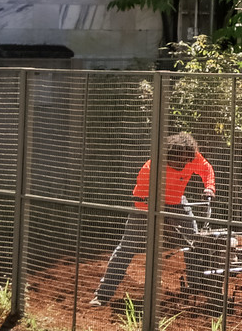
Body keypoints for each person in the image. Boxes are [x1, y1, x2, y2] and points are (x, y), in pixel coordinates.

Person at [92, 131, 217, 307]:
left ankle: (196, 285)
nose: (182, 164)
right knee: (127, 248)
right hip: (145, 207)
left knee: (194, 241)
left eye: (185, 160)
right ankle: (102, 294)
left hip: (176, 201)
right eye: (178, 161)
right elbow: (141, 200)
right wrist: (160, 217)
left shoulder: (191, 157)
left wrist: (209, 188)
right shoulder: (151, 169)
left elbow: (206, 169)